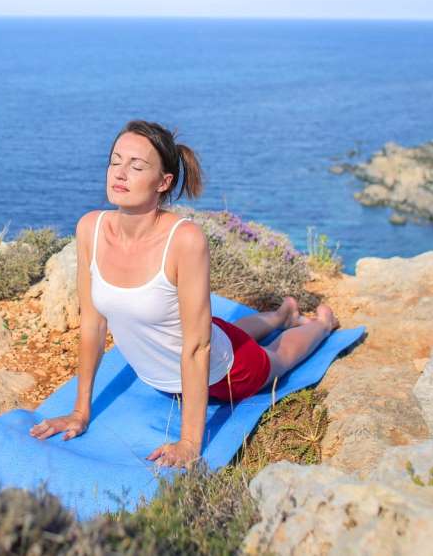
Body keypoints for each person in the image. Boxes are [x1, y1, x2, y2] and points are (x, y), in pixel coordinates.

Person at [28, 120, 339, 468]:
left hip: (223, 373)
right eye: (115, 161)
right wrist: (79, 412)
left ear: (164, 182)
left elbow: (198, 346)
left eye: (137, 166)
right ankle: (282, 314)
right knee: (220, 329)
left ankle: (320, 325)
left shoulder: (184, 239)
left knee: (274, 358)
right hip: (191, 343)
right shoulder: (91, 227)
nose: (120, 173)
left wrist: (191, 442)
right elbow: (93, 325)